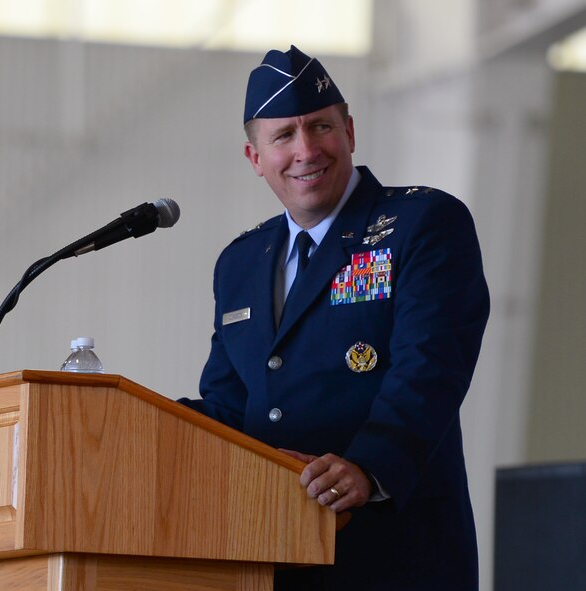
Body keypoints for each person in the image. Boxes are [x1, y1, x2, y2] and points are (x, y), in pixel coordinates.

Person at [178, 45, 489, 590]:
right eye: (283, 136)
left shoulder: (422, 223)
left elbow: (431, 367)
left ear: (349, 131)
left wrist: (369, 466)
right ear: (255, 158)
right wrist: (149, 426)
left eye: (320, 127)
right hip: (269, 554)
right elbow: (232, 405)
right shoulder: (240, 262)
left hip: (392, 552)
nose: (306, 150)